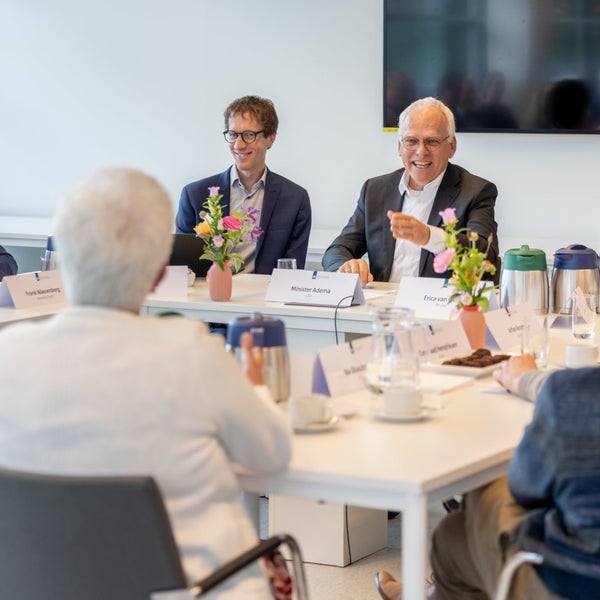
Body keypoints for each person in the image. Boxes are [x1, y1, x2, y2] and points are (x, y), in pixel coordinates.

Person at [0, 167, 292, 598]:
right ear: (160, 274)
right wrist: (256, 389)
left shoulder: (8, 355)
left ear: (61, 258)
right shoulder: (190, 352)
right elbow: (271, 454)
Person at [375, 355, 600, 599]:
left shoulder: (574, 393)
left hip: (572, 583)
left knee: (479, 497)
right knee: (452, 535)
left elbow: (525, 486)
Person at [322, 97, 499, 287]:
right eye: (411, 141)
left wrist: (429, 237)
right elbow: (337, 250)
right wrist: (346, 266)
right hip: (380, 308)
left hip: (438, 309)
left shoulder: (476, 191)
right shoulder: (375, 190)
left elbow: (484, 255)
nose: (421, 152)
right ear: (399, 146)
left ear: (452, 147)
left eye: (432, 141)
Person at [176, 95, 312, 274]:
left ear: (270, 138)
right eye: (233, 135)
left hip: (265, 299)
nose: (238, 145)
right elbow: (181, 269)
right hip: (209, 296)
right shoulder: (194, 195)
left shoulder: (295, 199)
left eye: (249, 135)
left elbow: (292, 272)